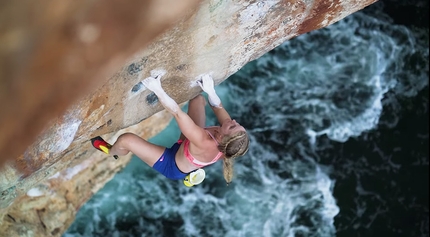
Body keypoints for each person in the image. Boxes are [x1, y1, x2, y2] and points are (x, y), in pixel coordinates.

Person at [91, 74, 249, 185]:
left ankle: (112, 151)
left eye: (233, 126)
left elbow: (176, 112)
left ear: (222, 138)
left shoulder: (203, 140)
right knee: (198, 99)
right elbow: (218, 106)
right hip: (187, 145)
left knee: (126, 140)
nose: (233, 121)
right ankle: (193, 170)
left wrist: (157, 89)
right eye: (238, 124)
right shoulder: (228, 143)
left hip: (172, 164)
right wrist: (211, 91)